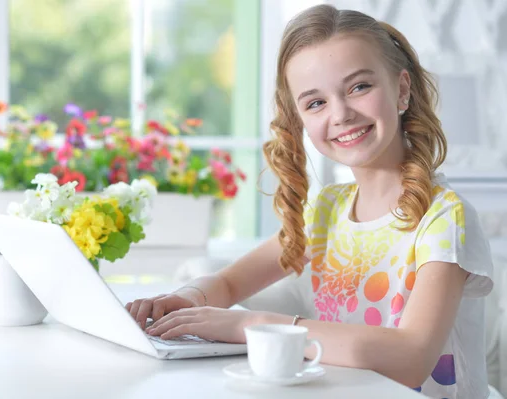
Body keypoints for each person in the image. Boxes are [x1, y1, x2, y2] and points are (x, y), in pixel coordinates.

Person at [125, 5, 494, 398]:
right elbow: (231, 282)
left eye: (359, 87)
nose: (341, 114)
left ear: (402, 90)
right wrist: (184, 300)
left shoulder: (443, 219)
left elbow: (411, 358)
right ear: (300, 117)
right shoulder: (327, 211)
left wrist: (251, 326)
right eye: (316, 102)